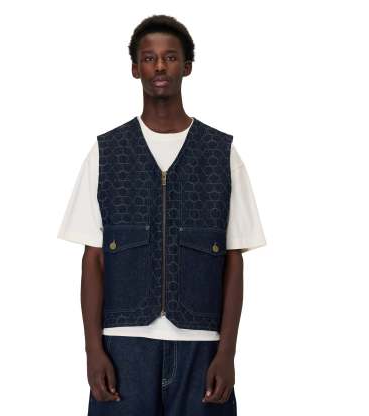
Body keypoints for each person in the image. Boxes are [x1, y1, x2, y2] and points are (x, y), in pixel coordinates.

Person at [57, 14, 266, 416]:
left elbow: (234, 261)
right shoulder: (106, 152)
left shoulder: (222, 154)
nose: (159, 67)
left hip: (201, 348)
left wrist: (227, 352)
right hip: (123, 347)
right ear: (135, 68)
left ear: (186, 67)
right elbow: (92, 260)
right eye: (149, 58)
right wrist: (93, 350)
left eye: (170, 57)